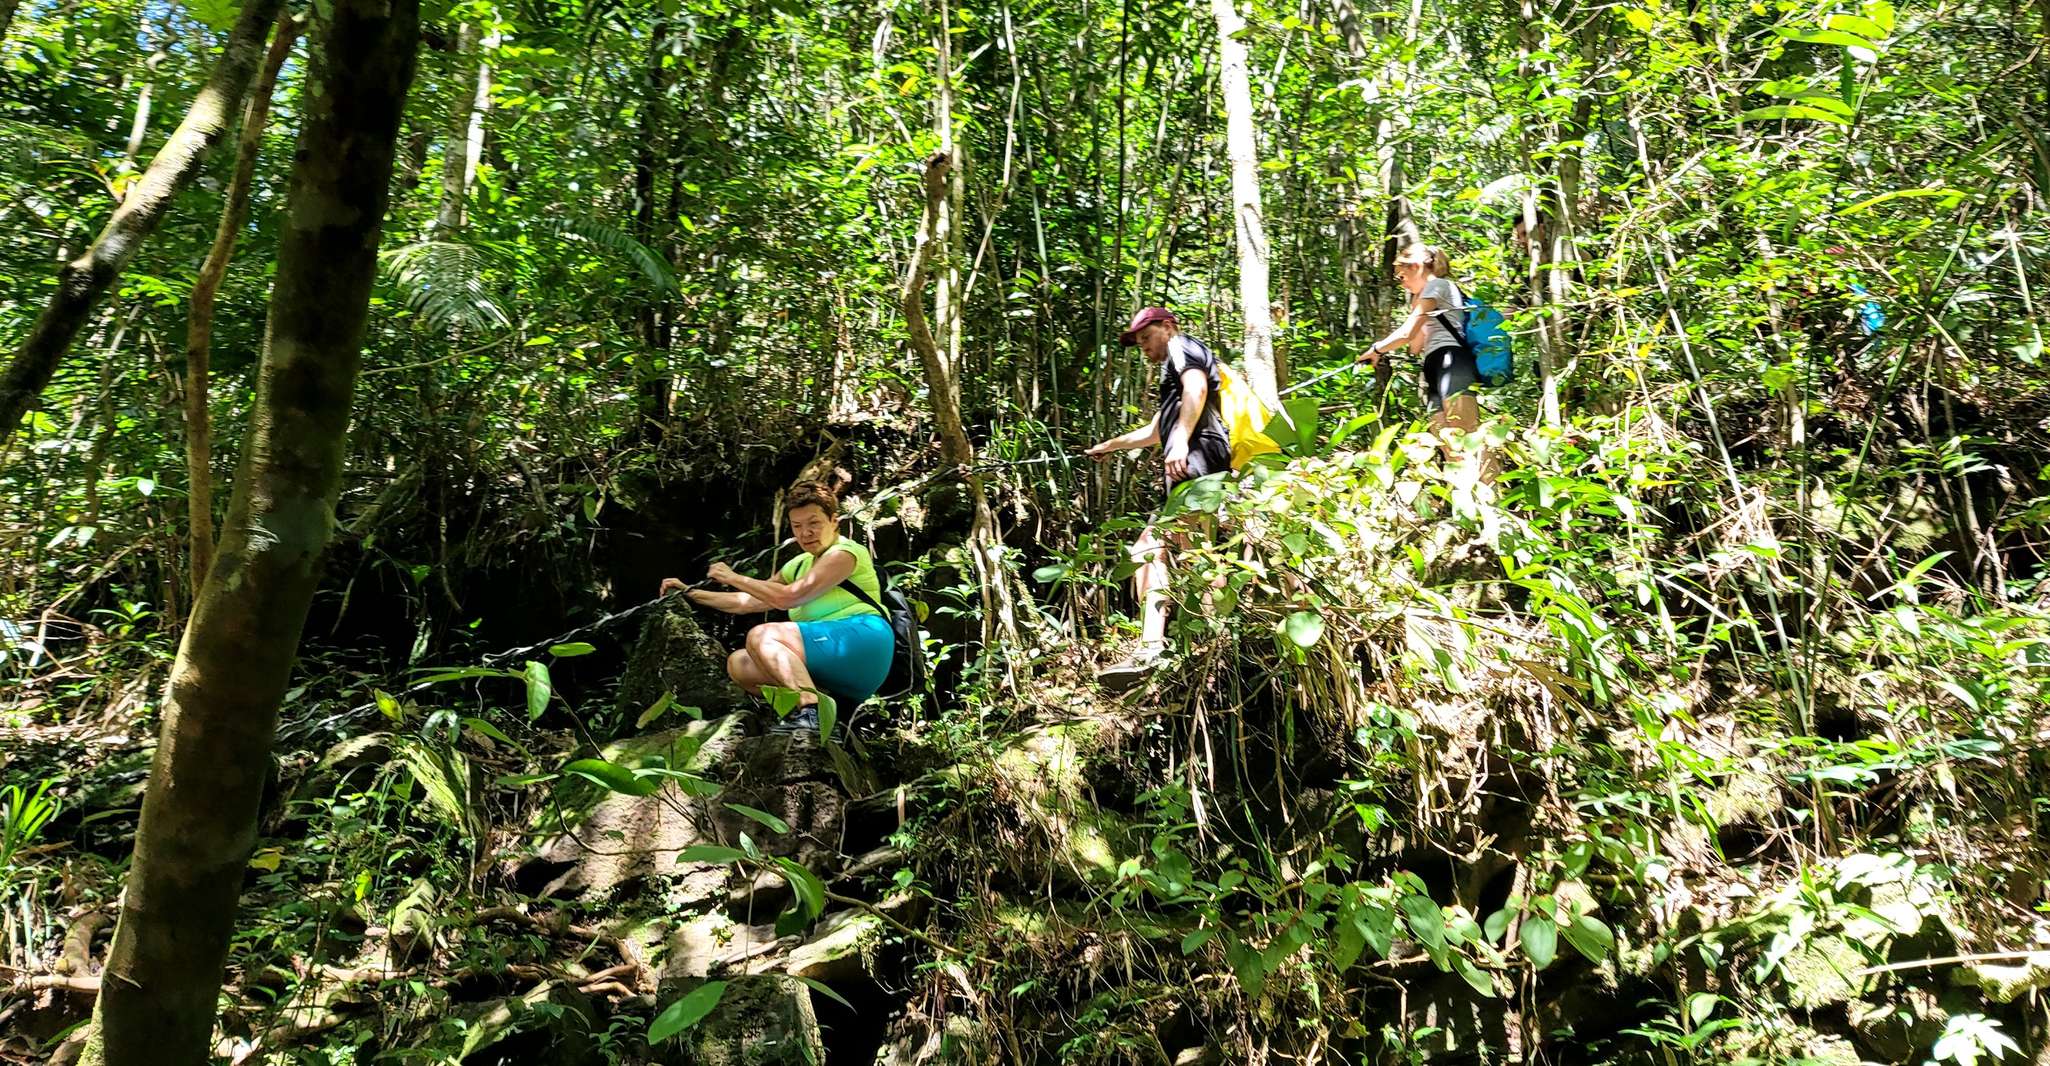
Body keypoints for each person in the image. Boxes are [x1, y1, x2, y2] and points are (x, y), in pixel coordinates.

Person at [658, 481, 892, 734]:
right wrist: (690, 593)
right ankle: (824, 708)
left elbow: (789, 598)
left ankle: (810, 712)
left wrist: (733, 577)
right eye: (797, 526)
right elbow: (749, 602)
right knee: (739, 664)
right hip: (826, 657)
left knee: (762, 635)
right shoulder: (799, 564)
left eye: (814, 523)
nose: (806, 533)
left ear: (834, 520)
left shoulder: (844, 553)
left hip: (865, 643)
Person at [1084, 306, 1232, 690]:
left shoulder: (1182, 346)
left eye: (1147, 338)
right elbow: (1155, 431)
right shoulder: (1171, 379)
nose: (1144, 348)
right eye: (1139, 344)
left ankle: (1215, 641)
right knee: (1146, 550)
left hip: (1199, 454)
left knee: (1193, 545)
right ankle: (1152, 647)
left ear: (1168, 327)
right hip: (1188, 459)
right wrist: (1111, 445)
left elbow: (1197, 388)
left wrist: (1181, 440)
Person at [1357, 243, 1481, 447]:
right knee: (1446, 444)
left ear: (1415, 266)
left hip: (1452, 360)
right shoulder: (1424, 297)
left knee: (1469, 438)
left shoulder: (1438, 285)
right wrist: (1416, 305)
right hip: (1433, 365)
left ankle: (1490, 480)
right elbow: (1415, 346)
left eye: (1401, 277)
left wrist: (1377, 349)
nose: (1401, 284)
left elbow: (1407, 332)